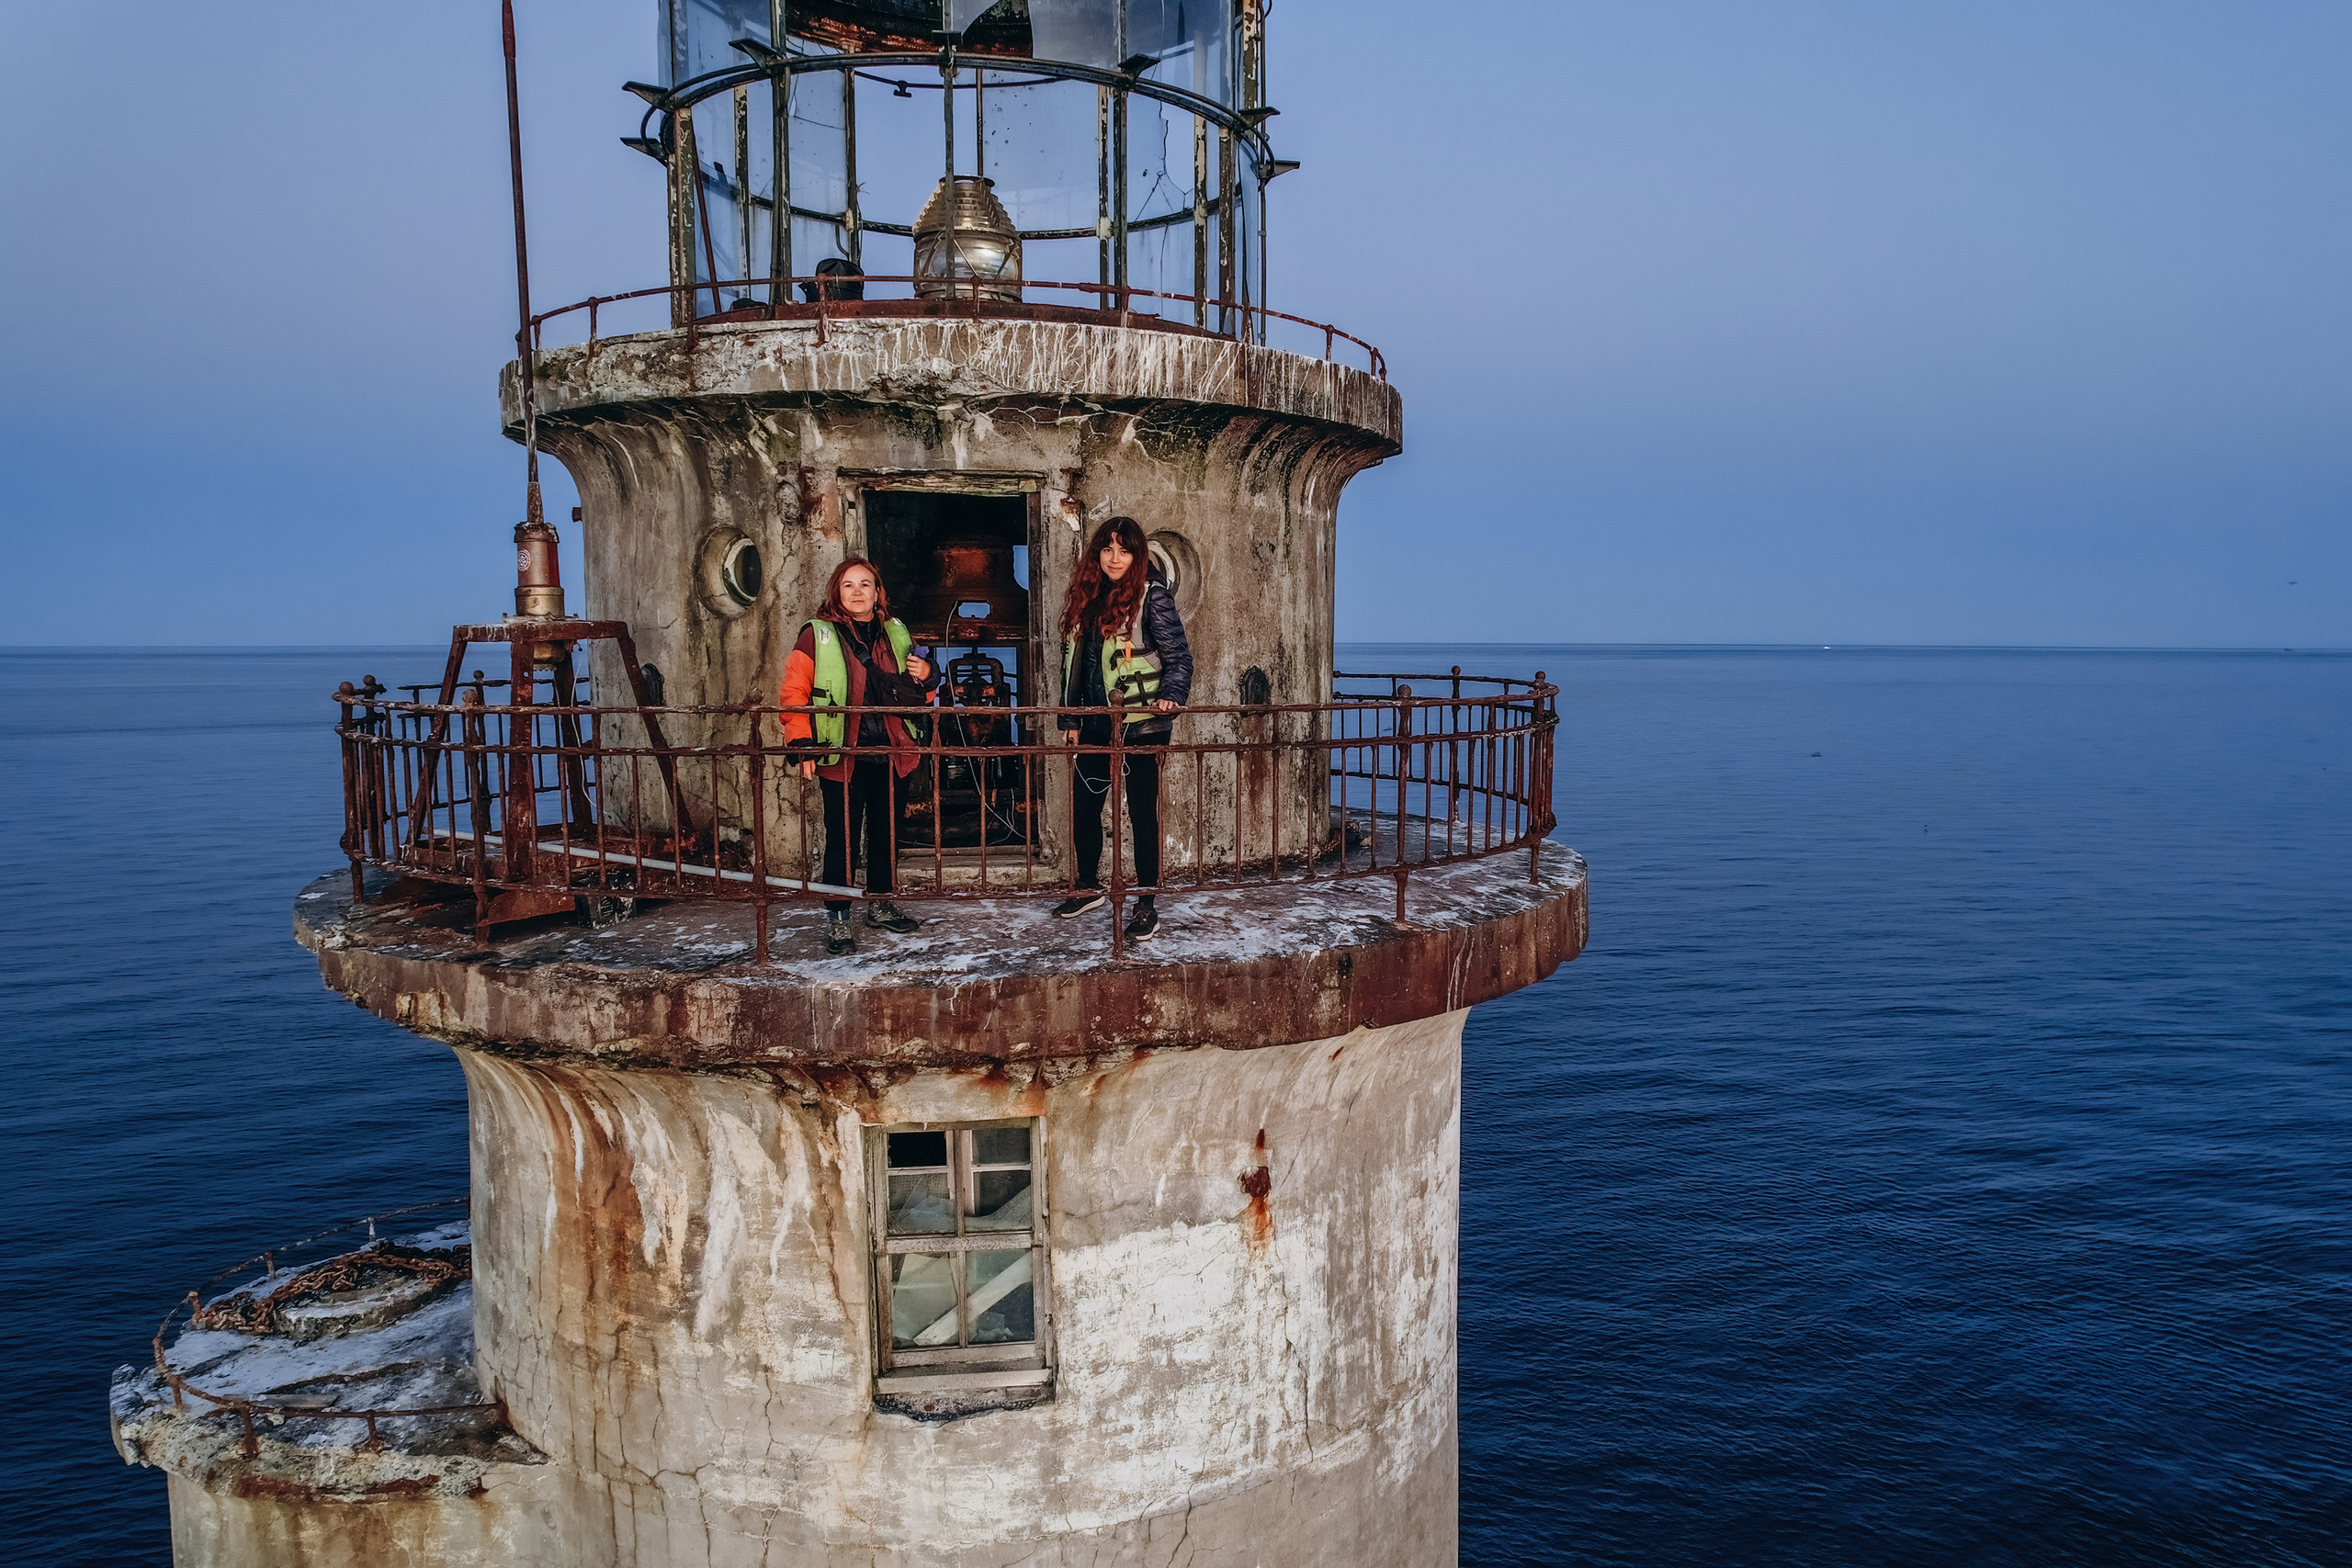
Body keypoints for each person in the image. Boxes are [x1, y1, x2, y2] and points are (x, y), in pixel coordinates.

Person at [778, 558, 937, 954]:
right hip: (842, 755)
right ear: (837, 592)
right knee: (842, 840)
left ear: (878, 592)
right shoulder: (816, 635)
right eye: (848, 585)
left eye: (865, 584)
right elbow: (794, 692)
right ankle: (838, 917)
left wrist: (929, 674)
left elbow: (920, 693)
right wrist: (802, 744)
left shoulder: (896, 632)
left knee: (887, 835)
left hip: (893, 752)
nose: (857, 592)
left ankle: (880, 904)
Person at [1055, 517, 1193, 940]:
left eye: (1124, 551)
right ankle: (1088, 887)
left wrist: (1171, 695)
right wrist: (1070, 720)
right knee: (1085, 807)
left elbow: (1179, 657)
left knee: (1141, 814)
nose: (1115, 558)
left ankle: (1147, 903)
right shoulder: (1087, 597)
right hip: (1096, 721)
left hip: (1143, 724)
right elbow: (1074, 667)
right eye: (1108, 549)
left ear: (1137, 556)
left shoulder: (1153, 597)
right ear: (1097, 553)